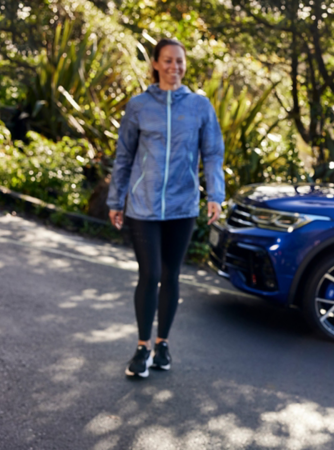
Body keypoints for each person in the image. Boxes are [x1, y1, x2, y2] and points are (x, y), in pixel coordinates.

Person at [107, 38, 225, 378]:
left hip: (182, 205)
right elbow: (125, 156)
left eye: (180, 62)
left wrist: (214, 195)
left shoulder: (200, 107)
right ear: (156, 64)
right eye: (168, 61)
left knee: (172, 275)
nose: (175, 67)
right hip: (143, 206)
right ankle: (142, 348)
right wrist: (116, 200)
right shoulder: (140, 105)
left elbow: (213, 153)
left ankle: (163, 344)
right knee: (151, 274)